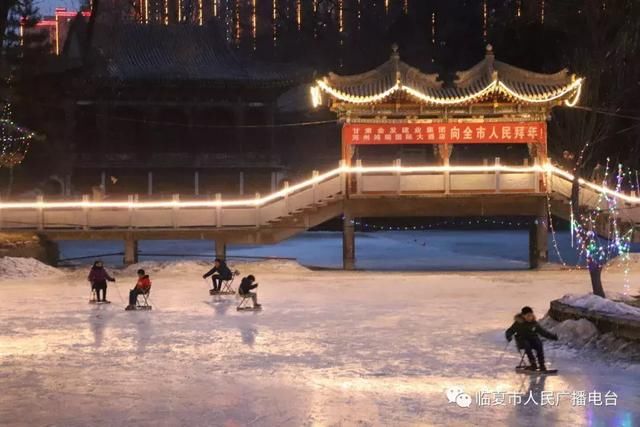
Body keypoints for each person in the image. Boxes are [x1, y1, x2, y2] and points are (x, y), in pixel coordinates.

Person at [505, 306, 558, 371]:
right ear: (523, 315)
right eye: (528, 316)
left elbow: (543, 332)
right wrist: (509, 336)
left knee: (539, 344)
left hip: (533, 340)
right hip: (522, 341)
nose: (530, 317)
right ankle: (533, 364)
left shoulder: (534, 323)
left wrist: (552, 336)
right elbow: (510, 331)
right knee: (527, 344)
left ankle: (542, 364)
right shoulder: (518, 323)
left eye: (531, 315)